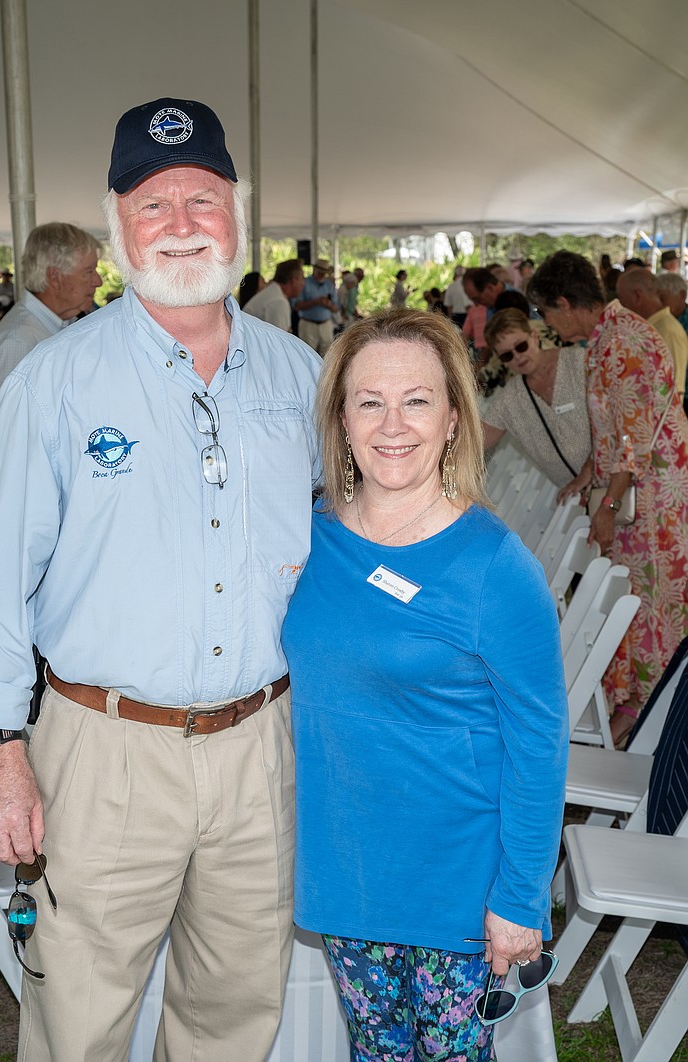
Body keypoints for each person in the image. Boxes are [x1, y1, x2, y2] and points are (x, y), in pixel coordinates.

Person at [0, 96, 321, 1062]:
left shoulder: (301, 377)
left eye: (203, 198)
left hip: (260, 748)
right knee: (78, 1017)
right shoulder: (56, 381)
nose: (183, 223)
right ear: (117, 230)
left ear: (238, 214)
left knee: (235, 1014)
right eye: (154, 206)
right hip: (104, 748)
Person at [281, 309, 568, 1061]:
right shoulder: (306, 542)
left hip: (458, 890)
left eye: (417, 400)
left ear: (452, 421)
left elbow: (538, 744)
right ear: (341, 421)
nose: (392, 424)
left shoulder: (495, 568)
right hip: (347, 875)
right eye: (369, 401)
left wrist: (519, 898)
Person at [529, 250, 688, 745]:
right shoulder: (606, 339)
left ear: (564, 302)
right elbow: (614, 429)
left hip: (653, 496)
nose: (548, 325)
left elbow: (633, 437)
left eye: (546, 313)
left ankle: (648, 717)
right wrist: (585, 476)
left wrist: (609, 505)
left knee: (651, 601)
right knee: (633, 598)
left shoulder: (625, 340)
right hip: (637, 487)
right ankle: (632, 707)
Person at [0, 222, 102, 397]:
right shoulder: (19, 342)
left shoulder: (56, 325)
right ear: (55, 277)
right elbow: (14, 422)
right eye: (89, 272)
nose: (98, 281)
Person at [481, 308, 592, 487]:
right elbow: (475, 442)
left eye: (521, 346)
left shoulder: (579, 362)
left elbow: (615, 421)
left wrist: (590, 468)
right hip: (578, 499)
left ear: (534, 336)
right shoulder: (510, 399)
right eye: (507, 355)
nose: (518, 356)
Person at [616, 267, 688, 402]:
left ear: (637, 296)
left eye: (622, 301)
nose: (621, 307)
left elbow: (674, 389)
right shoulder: (649, 326)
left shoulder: (668, 330)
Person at [242, 257, 304, 331]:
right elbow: (279, 340)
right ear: (293, 281)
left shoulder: (274, 293)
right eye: (302, 278)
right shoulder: (278, 301)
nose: (303, 283)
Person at [295, 258, 338, 354]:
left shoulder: (329, 285)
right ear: (314, 269)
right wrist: (315, 302)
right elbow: (297, 306)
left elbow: (335, 308)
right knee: (307, 354)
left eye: (324, 272)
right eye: (320, 271)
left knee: (327, 355)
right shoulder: (304, 283)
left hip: (325, 324)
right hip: (308, 324)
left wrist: (328, 304)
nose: (321, 274)